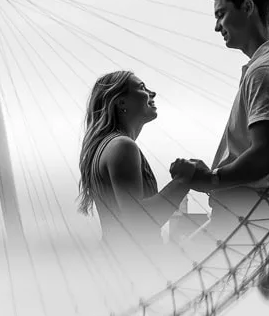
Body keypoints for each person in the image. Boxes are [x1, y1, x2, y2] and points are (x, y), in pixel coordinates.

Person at [171, 0, 269, 246]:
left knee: (177, 267)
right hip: (253, 213)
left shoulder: (267, 69)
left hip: (248, 216)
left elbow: (268, 154)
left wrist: (212, 178)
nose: (217, 26)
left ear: (247, 7)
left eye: (221, 14)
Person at [78, 70, 195, 244]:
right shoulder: (122, 146)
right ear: (121, 101)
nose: (152, 93)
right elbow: (138, 223)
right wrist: (183, 180)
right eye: (142, 87)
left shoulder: (104, 147)